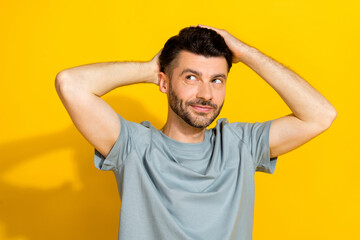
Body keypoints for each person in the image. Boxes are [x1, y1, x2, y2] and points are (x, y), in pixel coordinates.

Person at [55, 24, 337, 240]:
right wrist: (148, 71)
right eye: (191, 77)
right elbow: (70, 84)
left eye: (217, 80)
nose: (206, 94)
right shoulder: (133, 146)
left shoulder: (240, 144)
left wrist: (246, 53)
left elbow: (320, 115)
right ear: (165, 83)